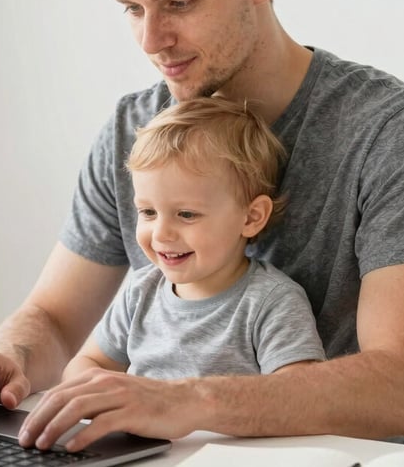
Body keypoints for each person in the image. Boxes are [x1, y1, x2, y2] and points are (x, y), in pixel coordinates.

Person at [0, 0, 404, 453]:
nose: (151, 40)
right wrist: (8, 358)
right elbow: (57, 322)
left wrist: (182, 400)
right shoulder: (132, 128)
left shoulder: (392, 131)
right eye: (132, 9)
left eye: (178, 3)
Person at [62, 97, 325, 383]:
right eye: (148, 212)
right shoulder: (140, 292)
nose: (161, 233)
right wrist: (95, 388)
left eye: (186, 214)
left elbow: (297, 393)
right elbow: (89, 362)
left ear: (250, 218)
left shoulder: (272, 302)